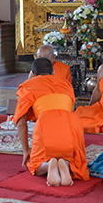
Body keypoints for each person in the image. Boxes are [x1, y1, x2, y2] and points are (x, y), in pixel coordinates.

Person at [15, 58, 88, 186]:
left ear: (32, 74)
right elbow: (69, 108)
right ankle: (65, 163)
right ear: (53, 72)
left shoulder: (28, 86)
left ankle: (48, 165)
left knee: (35, 165)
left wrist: (26, 150)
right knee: (77, 162)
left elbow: (21, 122)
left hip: (45, 125)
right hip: (71, 124)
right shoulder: (65, 84)